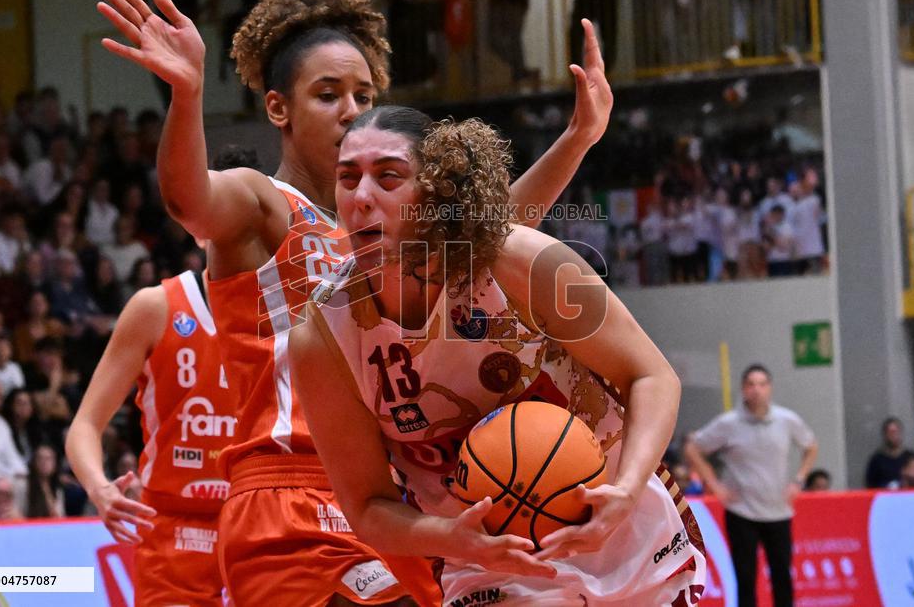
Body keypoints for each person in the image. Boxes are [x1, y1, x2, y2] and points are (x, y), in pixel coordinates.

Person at [96, 0, 609, 605]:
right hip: (291, 492)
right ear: (278, 108)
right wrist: (187, 93)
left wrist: (577, 139)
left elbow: (487, 238)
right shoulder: (263, 202)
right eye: (329, 94)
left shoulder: (382, 229)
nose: (351, 111)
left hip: (387, 499)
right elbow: (189, 199)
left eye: (365, 96)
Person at [291, 105, 707, 605]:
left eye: (388, 178)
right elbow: (367, 505)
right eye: (347, 178)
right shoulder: (322, 337)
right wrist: (448, 537)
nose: (361, 197)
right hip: (486, 563)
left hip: (620, 529)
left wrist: (627, 490)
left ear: (436, 191)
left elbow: (651, 376)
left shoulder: (521, 260)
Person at [67, 266, 232, 606]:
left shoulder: (288, 306)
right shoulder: (155, 307)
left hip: (260, 520)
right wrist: (99, 489)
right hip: (173, 531)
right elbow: (85, 424)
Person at [685, 364, 817, 607]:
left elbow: (811, 446)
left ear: (770, 388)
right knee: (745, 580)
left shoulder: (786, 420)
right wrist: (714, 483)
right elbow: (693, 448)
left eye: (762, 384)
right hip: (741, 512)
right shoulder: (729, 423)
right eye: (751, 384)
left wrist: (799, 479)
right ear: (743, 389)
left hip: (778, 511)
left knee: (782, 577)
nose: (756, 390)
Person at [142, 0, 216, 107]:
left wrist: (208, 9)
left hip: (186, 21)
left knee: (186, 64)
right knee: (162, 65)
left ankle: (187, 105)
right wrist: (144, 18)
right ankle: (170, 105)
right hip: (162, 23)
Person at [865, 417, 912, 488]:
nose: (893, 435)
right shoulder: (876, 460)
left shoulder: (910, 457)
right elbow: (870, 484)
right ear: (885, 435)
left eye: (896, 432)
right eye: (890, 432)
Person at [26, 444, 64, 518]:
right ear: (34, 462)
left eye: (48, 459)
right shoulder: (25, 486)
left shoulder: (58, 489)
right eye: (40, 458)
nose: (43, 462)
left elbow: (60, 517)